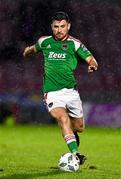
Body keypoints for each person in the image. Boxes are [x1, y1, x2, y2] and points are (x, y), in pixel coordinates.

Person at [23, 11, 98, 165]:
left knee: (79, 127)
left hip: (71, 92)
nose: (59, 30)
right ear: (52, 27)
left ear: (68, 26)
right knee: (62, 119)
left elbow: (91, 58)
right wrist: (27, 51)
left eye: (62, 26)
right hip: (52, 93)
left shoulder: (74, 43)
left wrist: (92, 65)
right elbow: (33, 48)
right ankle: (75, 155)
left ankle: (70, 134)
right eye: (56, 26)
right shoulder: (45, 42)